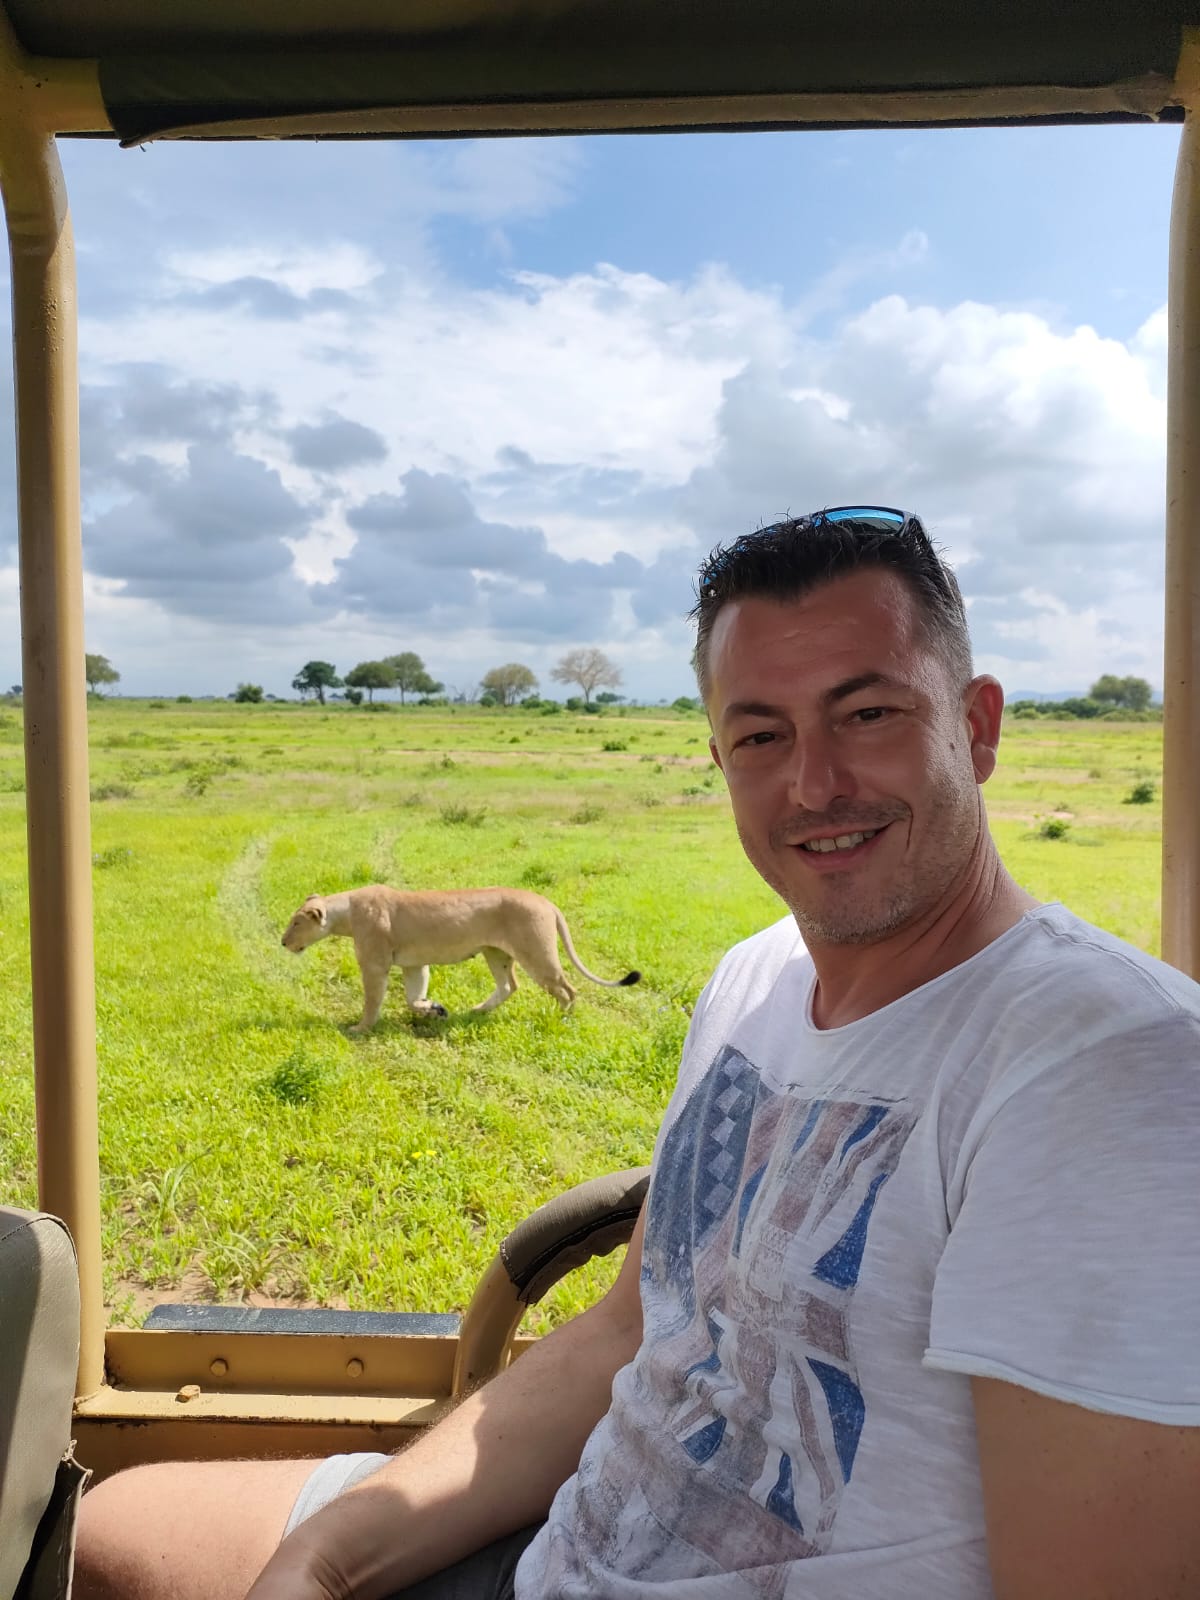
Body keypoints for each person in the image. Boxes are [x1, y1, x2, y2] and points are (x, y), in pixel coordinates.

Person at [77, 507, 1200, 1600]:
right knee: (112, 1529)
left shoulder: (1111, 1068)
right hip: (577, 1534)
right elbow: (631, 1326)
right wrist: (329, 1558)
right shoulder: (753, 978)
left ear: (979, 726)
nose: (814, 785)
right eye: (761, 736)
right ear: (720, 757)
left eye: (867, 714)